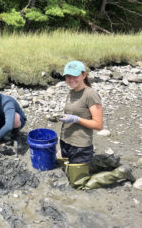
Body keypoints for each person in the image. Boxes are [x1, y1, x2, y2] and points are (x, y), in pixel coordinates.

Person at [58, 60, 135, 190]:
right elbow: (72, 112)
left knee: (78, 184)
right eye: (68, 76)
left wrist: (76, 119)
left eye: (74, 75)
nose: (70, 79)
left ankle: (120, 173)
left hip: (80, 145)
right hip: (66, 140)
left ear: (83, 75)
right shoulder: (71, 92)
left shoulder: (90, 94)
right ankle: (108, 161)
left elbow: (98, 125)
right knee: (66, 169)